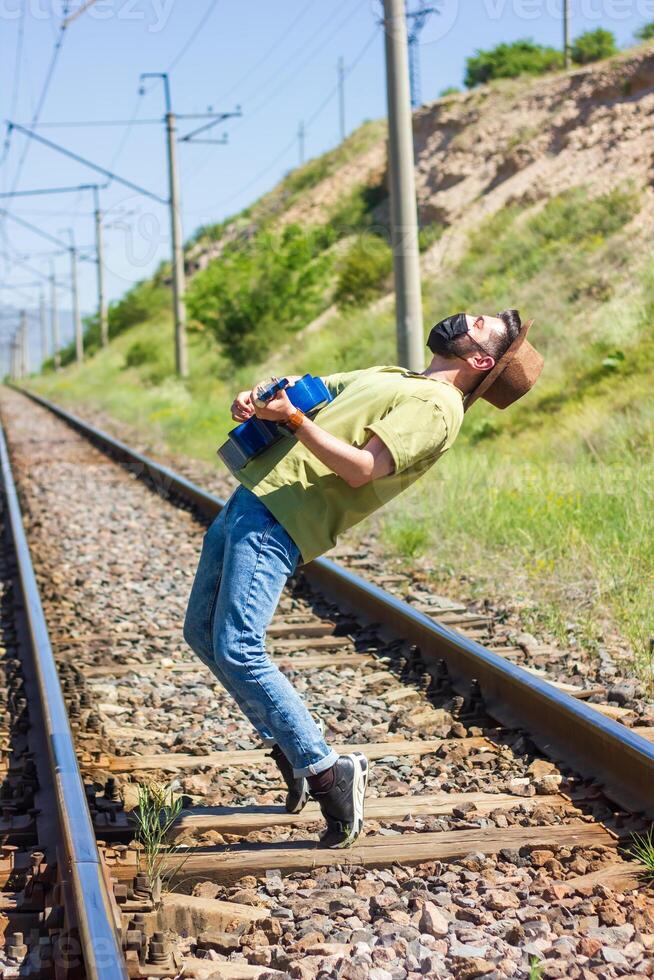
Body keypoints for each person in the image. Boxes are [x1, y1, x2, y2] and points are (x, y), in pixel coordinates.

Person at [183, 310, 544, 847]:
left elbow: (361, 468)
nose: (463, 316)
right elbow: (315, 390)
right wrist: (262, 397)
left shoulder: (438, 407)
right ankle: (291, 742)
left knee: (238, 647)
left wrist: (296, 423)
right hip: (253, 498)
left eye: (478, 321)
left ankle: (328, 773)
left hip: (284, 516)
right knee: (202, 634)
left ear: (480, 359)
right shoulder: (399, 378)